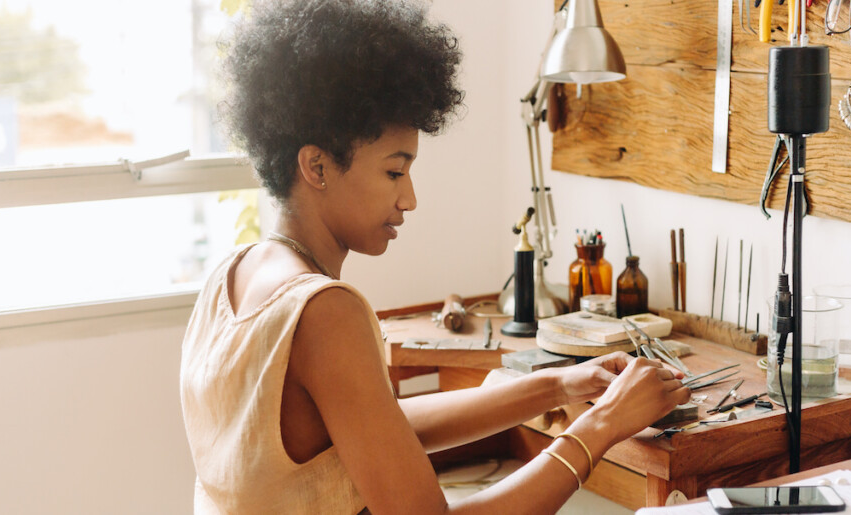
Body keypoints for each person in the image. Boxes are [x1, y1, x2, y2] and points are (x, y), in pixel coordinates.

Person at [179, 1, 691, 513]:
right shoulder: (324, 311)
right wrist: (599, 427)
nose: (410, 199)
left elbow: (380, 426)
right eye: (394, 173)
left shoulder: (231, 276)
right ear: (316, 165)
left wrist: (557, 384)